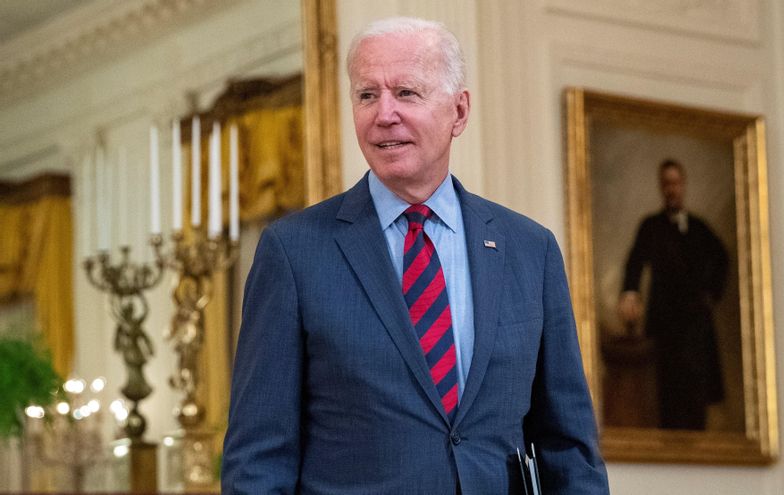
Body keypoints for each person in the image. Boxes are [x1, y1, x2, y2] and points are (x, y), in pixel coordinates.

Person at [222, 17, 609, 494]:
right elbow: (258, 460)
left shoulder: (530, 249)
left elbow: (569, 449)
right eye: (367, 95)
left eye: (406, 93)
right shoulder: (294, 251)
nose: (384, 114)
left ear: (459, 112)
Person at [617, 159, 729, 430]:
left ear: (683, 185)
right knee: (668, 396)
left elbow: (723, 259)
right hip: (666, 326)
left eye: (676, 183)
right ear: (661, 187)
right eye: (667, 183)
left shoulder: (700, 228)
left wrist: (711, 295)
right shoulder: (651, 226)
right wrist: (630, 292)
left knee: (696, 396)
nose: (672, 189)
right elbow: (635, 261)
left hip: (696, 328)